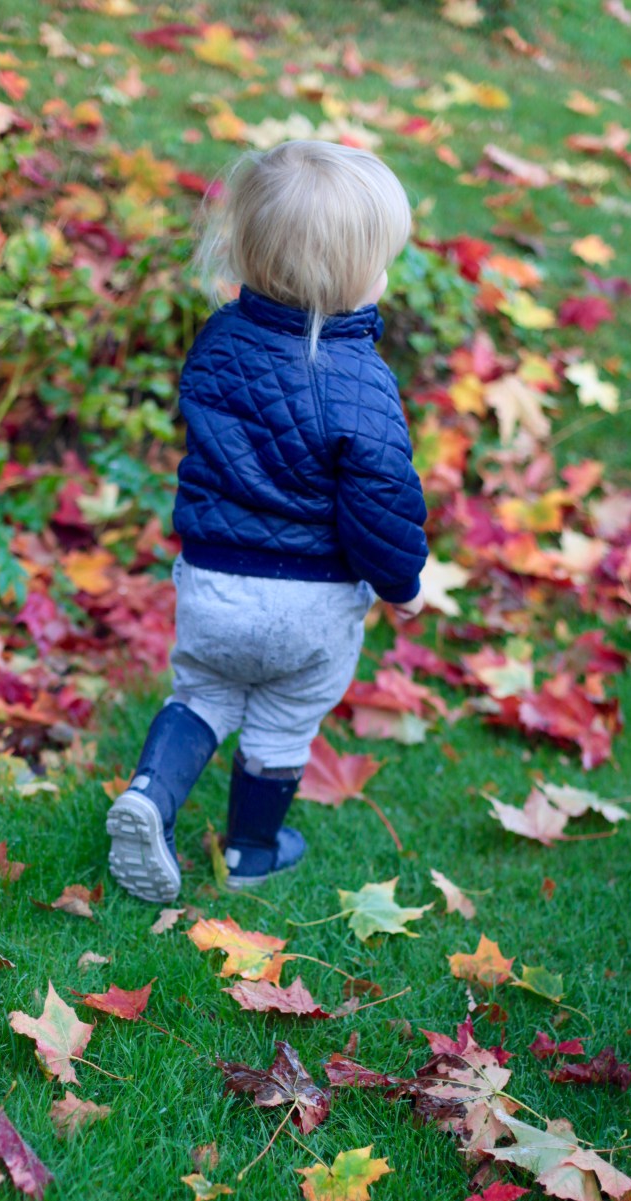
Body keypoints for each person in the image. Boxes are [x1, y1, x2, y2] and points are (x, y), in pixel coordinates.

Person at [106, 139, 429, 903]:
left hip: (214, 581)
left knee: (203, 695)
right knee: (282, 718)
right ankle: (252, 851)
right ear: (353, 278)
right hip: (310, 603)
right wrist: (401, 582)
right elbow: (382, 495)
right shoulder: (361, 381)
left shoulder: (218, 342)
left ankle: (150, 795)